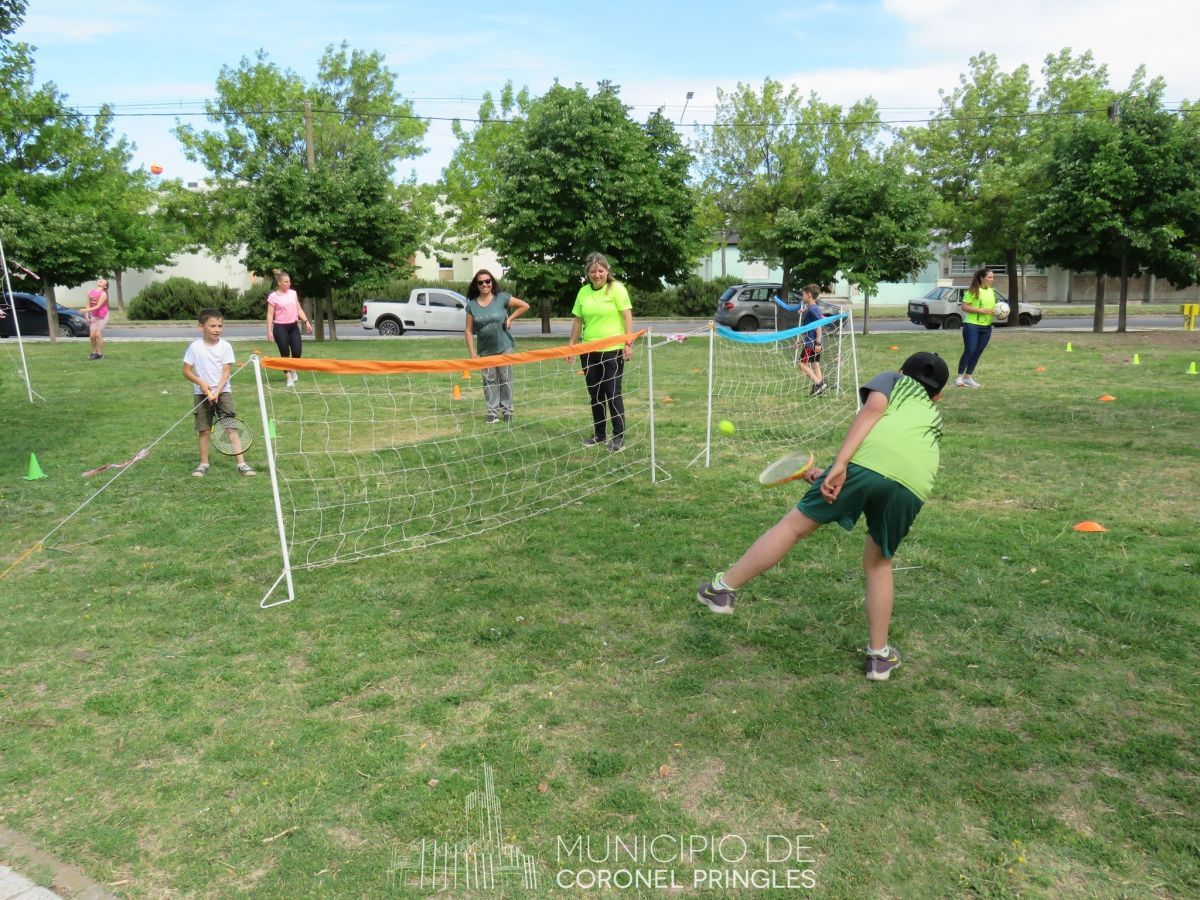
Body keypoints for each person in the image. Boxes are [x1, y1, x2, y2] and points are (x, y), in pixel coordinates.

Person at [696, 351, 949, 682]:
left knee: (793, 527)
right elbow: (891, 460)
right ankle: (879, 657)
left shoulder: (893, 380)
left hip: (864, 465)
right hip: (913, 486)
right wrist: (831, 472)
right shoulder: (933, 416)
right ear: (938, 396)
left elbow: (873, 413)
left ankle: (721, 591)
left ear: (901, 371)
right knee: (878, 563)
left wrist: (840, 466)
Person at [568, 253, 634, 453]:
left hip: (612, 351)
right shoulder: (583, 292)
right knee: (595, 394)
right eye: (592, 271)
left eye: (600, 271)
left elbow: (627, 317)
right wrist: (571, 346)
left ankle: (618, 437)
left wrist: (628, 342)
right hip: (588, 351)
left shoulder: (617, 289)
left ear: (607, 271)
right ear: (587, 273)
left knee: (612, 393)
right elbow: (578, 320)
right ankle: (599, 434)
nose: (597, 275)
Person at [184, 308, 256, 478]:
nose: (217, 329)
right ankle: (203, 464)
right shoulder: (194, 347)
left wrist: (217, 391)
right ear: (201, 327)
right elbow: (186, 370)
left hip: (223, 392)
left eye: (220, 326)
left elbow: (226, 371)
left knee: (230, 427)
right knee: (204, 430)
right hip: (201, 394)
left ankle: (242, 464)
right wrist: (202, 384)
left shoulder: (225, 346)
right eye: (212, 326)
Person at [464, 269, 530, 424]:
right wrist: (472, 353)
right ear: (476, 285)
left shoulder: (501, 298)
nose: (485, 284)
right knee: (489, 380)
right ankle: (492, 413)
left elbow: (524, 306)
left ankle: (507, 411)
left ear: (492, 282)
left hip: (504, 347)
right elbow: (468, 330)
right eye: (481, 282)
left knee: (505, 378)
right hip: (485, 350)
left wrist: (510, 319)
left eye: (487, 281)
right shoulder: (471, 305)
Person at [266, 270, 313, 388]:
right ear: (279, 283)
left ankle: (293, 369)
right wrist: (269, 331)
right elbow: (270, 315)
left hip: (293, 326)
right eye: (286, 282)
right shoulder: (273, 296)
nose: (289, 284)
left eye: (289, 281)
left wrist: (306, 321)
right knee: (285, 353)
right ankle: (288, 377)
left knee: (297, 352)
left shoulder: (293, 293)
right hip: (280, 328)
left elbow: (299, 309)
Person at [955, 268, 997, 388]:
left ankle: (968, 377)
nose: (992, 279)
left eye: (992, 277)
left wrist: (998, 312)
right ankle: (959, 377)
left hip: (986, 327)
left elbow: (991, 308)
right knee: (970, 350)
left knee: (978, 352)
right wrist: (980, 310)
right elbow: (964, 307)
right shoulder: (973, 291)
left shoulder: (991, 291)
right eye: (989, 277)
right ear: (981, 278)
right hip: (972, 325)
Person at [797, 284, 827, 396]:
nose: (802, 297)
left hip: (812, 343)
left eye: (803, 294)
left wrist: (817, 343)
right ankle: (820, 391)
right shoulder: (812, 308)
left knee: (802, 364)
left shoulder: (813, 309)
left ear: (809, 295)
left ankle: (819, 383)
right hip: (812, 341)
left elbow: (818, 326)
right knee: (815, 364)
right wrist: (801, 341)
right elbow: (809, 328)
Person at [82, 277, 110, 360]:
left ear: (105, 286)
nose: (101, 280)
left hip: (103, 315)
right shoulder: (90, 292)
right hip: (94, 315)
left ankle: (100, 354)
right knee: (92, 336)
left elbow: (98, 306)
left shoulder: (103, 294)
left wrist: (86, 310)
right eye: (100, 280)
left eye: (103, 281)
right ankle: (94, 353)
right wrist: (87, 314)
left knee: (98, 334)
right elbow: (88, 304)